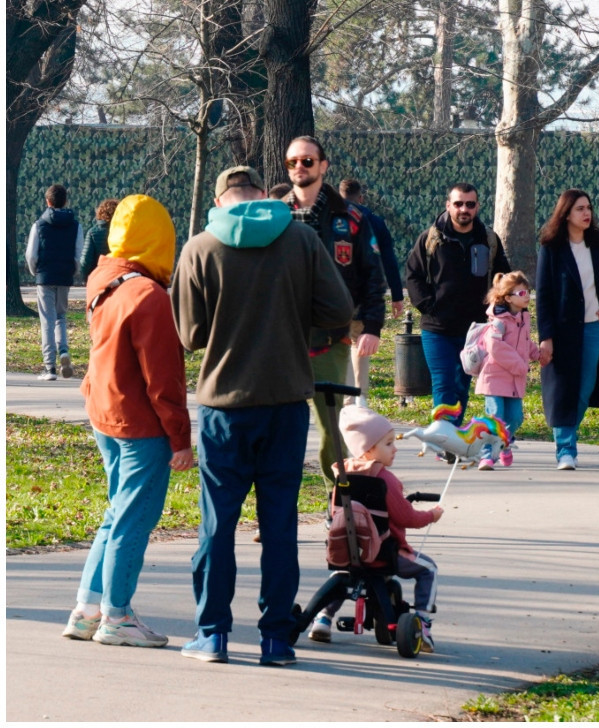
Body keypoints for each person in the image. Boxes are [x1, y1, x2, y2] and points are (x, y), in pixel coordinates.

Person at [171, 165, 353, 666]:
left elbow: (190, 335)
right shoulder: (301, 239)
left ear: (220, 198)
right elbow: (338, 309)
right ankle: (276, 639)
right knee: (279, 526)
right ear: (259, 194)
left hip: (223, 406)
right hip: (286, 402)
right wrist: (301, 328)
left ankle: (212, 635)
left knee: (217, 525)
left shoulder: (200, 247)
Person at [63, 194, 193, 649]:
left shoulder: (105, 278)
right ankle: (116, 616)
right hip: (141, 425)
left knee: (115, 513)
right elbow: (164, 381)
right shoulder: (150, 296)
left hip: (104, 412)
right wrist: (180, 439)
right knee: (133, 521)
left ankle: (86, 608)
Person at [283, 136, 386, 487]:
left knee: (333, 429)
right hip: (281, 339)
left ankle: (340, 509)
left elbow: (374, 274)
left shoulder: (351, 217)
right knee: (279, 433)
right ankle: (277, 515)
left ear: (323, 166)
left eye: (308, 161)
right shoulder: (274, 214)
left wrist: (372, 325)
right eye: (293, 162)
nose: (300, 167)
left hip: (329, 338)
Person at [307, 406, 445, 651]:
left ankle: (322, 619)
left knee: (342, 577)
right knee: (429, 569)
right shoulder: (385, 480)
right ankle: (423, 622)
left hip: (351, 551)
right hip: (384, 554)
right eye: (389, 444)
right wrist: (431, 516)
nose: (395, 448)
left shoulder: (343, 475)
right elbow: (406, 517)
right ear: (368, 448)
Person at [405, 182, 511, 431]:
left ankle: (452, 434)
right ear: (448, 205)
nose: (464, 209)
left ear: (477, 207)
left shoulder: (488, 239)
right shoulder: (431, 238)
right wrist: (428, 306)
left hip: (475, 330)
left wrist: (497, 309)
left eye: (470, 204)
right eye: (459, 204)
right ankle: (445, 439)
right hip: (437, 328)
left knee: (461, 384)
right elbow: (413, 275)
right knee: (443, 384)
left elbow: (502, 278)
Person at [535, 189, 599, 470]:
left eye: (588, 207)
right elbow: (544, 295)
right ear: (566, 214)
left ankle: (567, 441)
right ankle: (565, 450)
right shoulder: (551, 247)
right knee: (563, 389)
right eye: (579, 209)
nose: (587, 213)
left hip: (594, 327)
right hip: (562, 330)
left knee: (584, 388)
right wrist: (546, 337)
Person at [339, 178, 404, 409]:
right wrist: (397, 295)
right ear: (361, 197)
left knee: (342, 343)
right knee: (360, 343)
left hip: (336, 292)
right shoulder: (375, 221)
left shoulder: (331, 219)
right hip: (364, 291)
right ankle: (361, 396)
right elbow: (388, 259)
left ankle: (346, 398)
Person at [473, 271, 539, 470]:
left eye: (527, 292)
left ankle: (504, 443)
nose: (527, 296)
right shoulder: (498, 321)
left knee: (515, 417)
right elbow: (495, 347)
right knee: (495, 417)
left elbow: (525, 343)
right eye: (521, 293)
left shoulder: (523, 318)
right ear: (508, 297)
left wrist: (537, 353)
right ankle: (487, 456)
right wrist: (521, 365)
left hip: (514, 379)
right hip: (494, 377)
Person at [26, 184, 84, 380]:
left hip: (45, 276)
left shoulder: (39, 225)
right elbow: (78, 255)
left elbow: (31, 255)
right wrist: (72, 272)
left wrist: (36, 272)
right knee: (60, 316)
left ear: (48, 202)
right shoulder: (76, 226)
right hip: (64, 277)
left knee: (47, 320)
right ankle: (64, 352)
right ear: (65, 201)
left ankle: (49, 367)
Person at [79, 198, 118, 280]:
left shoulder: (93, 232)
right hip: (119, 276)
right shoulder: (123, 231)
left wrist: (87, 278)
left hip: (99, 277)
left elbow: (85, 261)